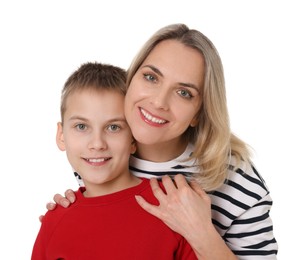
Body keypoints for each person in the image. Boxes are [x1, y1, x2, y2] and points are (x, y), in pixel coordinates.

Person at [45, 24, 278, 259]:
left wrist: (201, 232)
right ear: (132, 78)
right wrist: (66, 221)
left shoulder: (240, 185)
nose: (159, 102)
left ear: (199, 112)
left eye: (184, 92)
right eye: (151, 77)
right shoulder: (106, 150)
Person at [32, 62, 198, 259]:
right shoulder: (55, 220)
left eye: (113, 128)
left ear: (133, 139)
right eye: (81, 127)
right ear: (61, 136)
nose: (97, 144)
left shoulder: (171, 206)